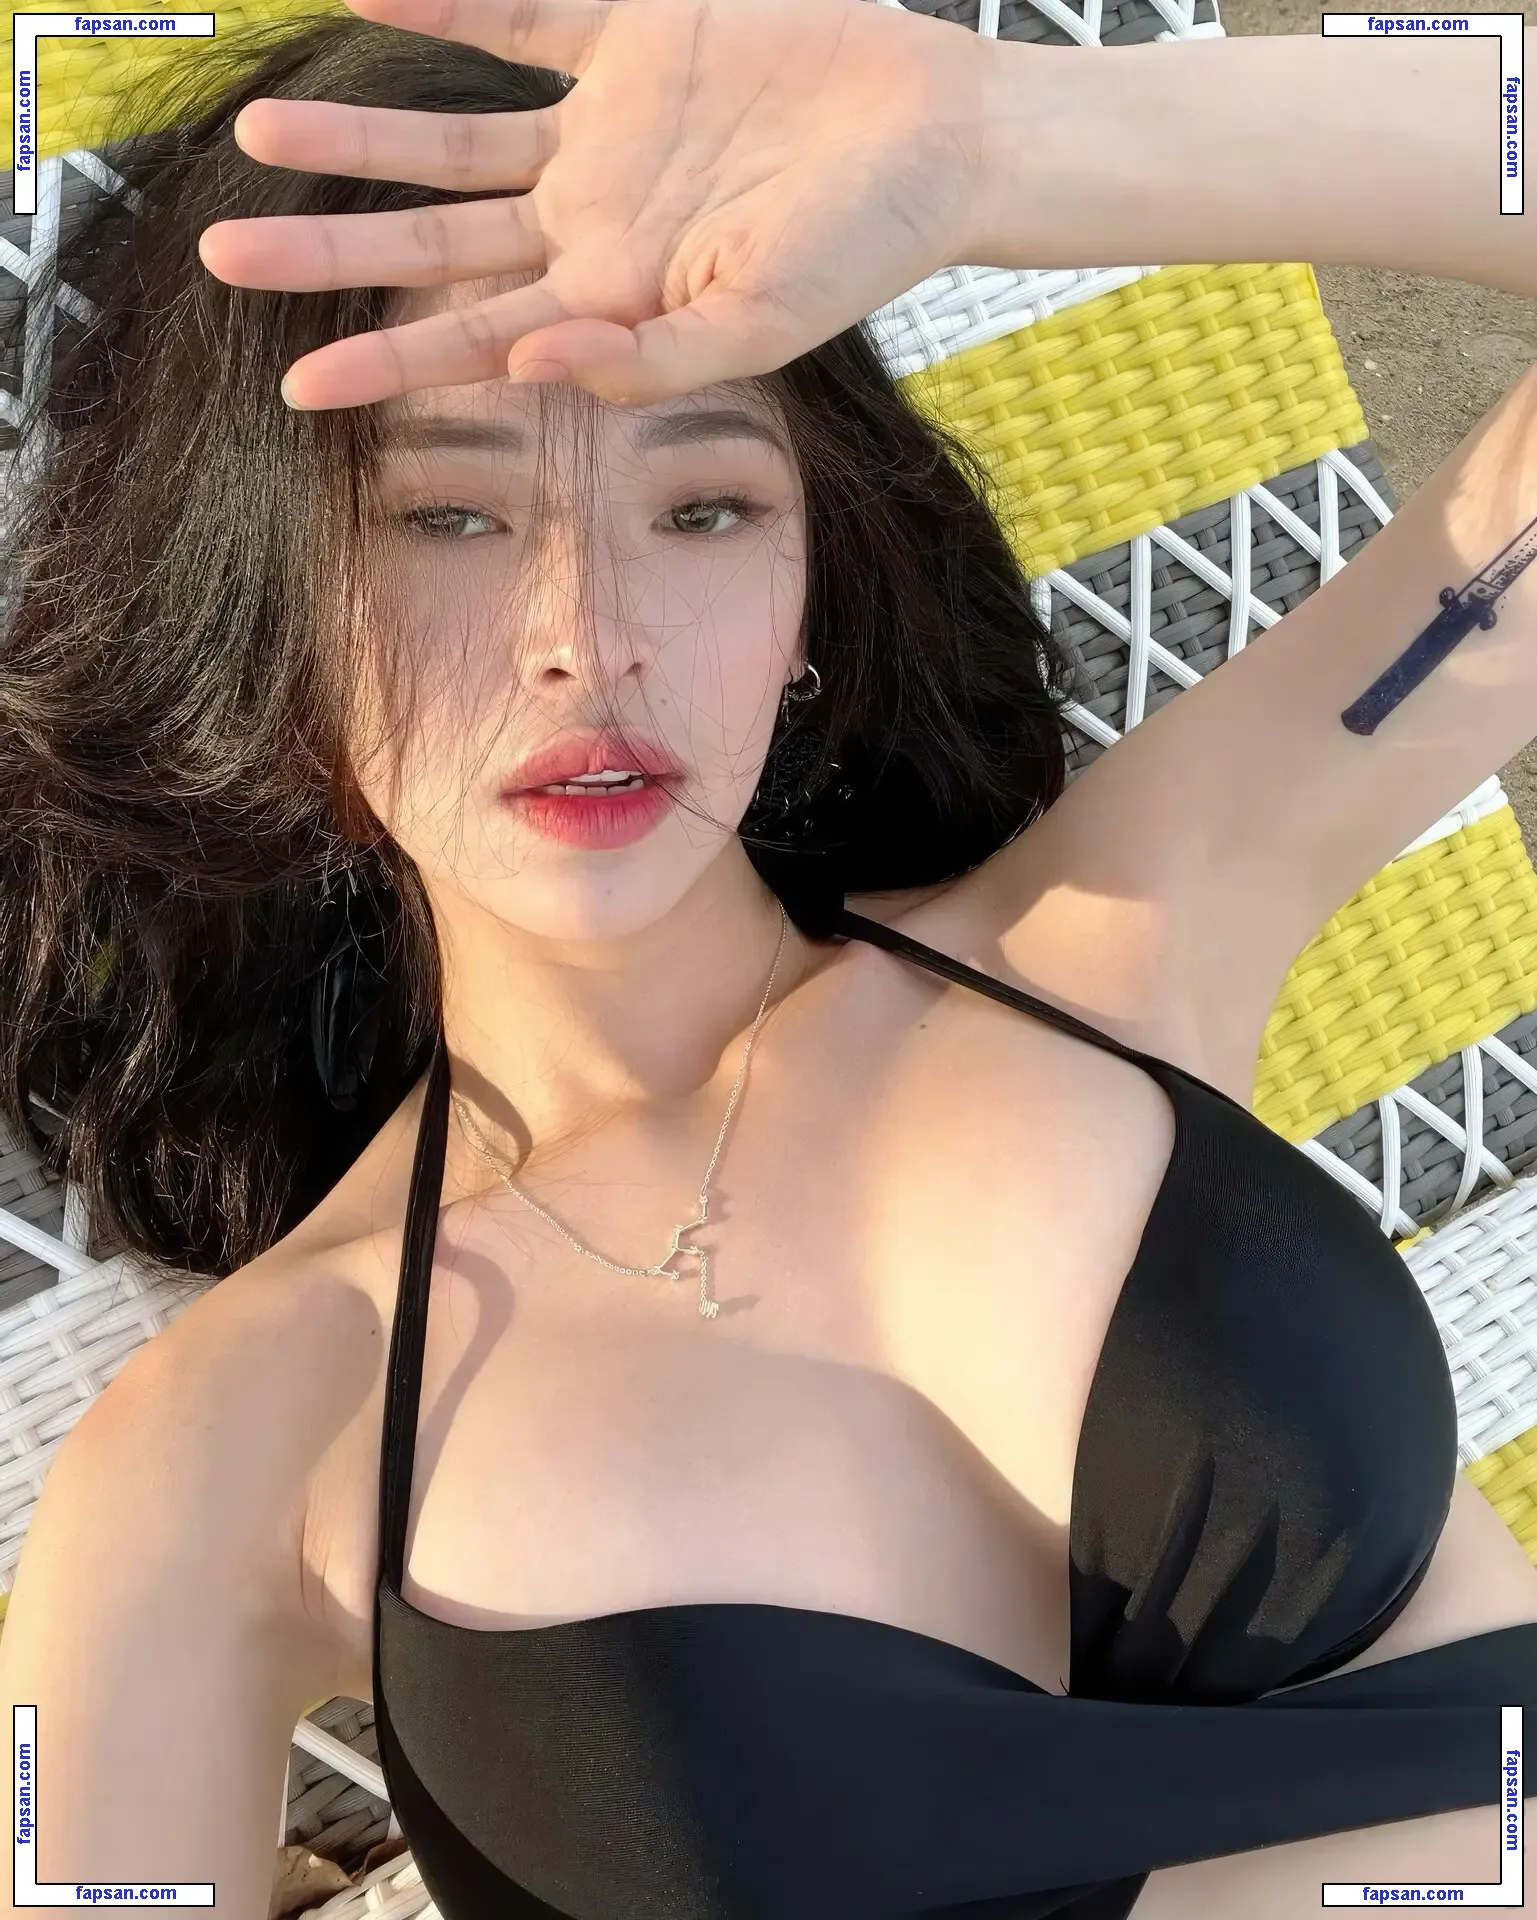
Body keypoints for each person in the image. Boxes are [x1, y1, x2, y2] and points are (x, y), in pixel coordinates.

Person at [2, 0, 1537, 1914]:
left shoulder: (1109, 948)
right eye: (447, 515)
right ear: (266, 625)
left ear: (811, 590)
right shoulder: (234, 1444)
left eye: (704, 505)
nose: (592, 635)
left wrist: (1008, 139)